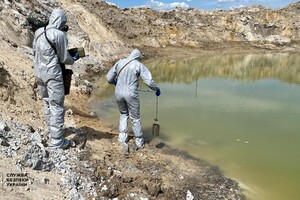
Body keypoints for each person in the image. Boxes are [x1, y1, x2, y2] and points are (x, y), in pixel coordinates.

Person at [33, 8, 79, 149]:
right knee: (57, 106)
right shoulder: (59, 35)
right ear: (61, 21)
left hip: (38, 73)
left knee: (47, 103)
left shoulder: (38, 32)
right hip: (53, 74)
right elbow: (64, 58)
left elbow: (35, 52)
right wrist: (74, 58)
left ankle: (51, 132)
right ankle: (58, 141)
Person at [106, 49, 161, 149]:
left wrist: (115, 82)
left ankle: (122, 138)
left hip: (118, 92)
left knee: (123, 114)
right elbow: (148, 81)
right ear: (138, 57)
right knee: (135, 117)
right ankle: (139, 141)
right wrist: (156, 88)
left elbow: (109, 78)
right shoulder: (138, 65)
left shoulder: (120, 62)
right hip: (131, 94)